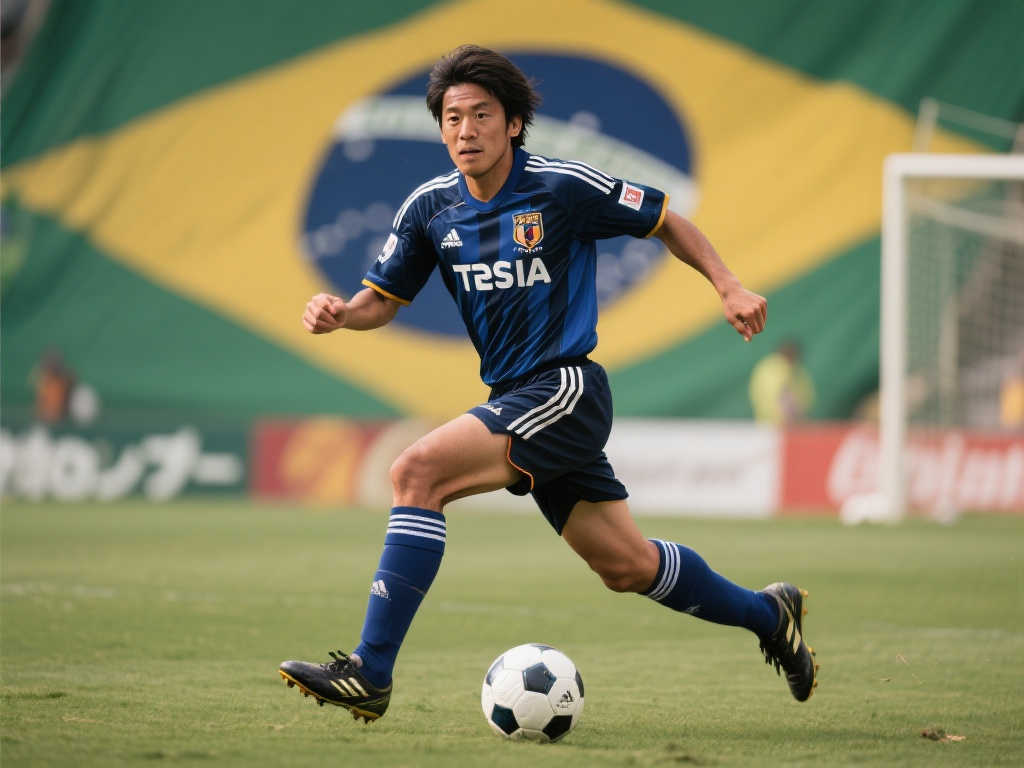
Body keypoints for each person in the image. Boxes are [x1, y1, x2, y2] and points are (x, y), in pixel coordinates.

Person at [280, 45, 817, 722]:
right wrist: (342, 315)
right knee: (627, 567)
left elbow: (664, 220)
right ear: (439, 129)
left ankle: (372, 670)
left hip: (565, 390)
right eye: (452, 118)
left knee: (416, 472)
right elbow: (381, 301)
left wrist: (728, 285)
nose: (466, 130)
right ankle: (770, 615)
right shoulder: (429, 209)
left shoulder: (560, 187)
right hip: (518, 400)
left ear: (513, 124)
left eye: (482, 115)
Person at [749, 339, 815, 425]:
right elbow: (785, 396)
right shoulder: (784, 368)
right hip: (783, 424)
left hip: (764, 423)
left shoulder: (764, 366)